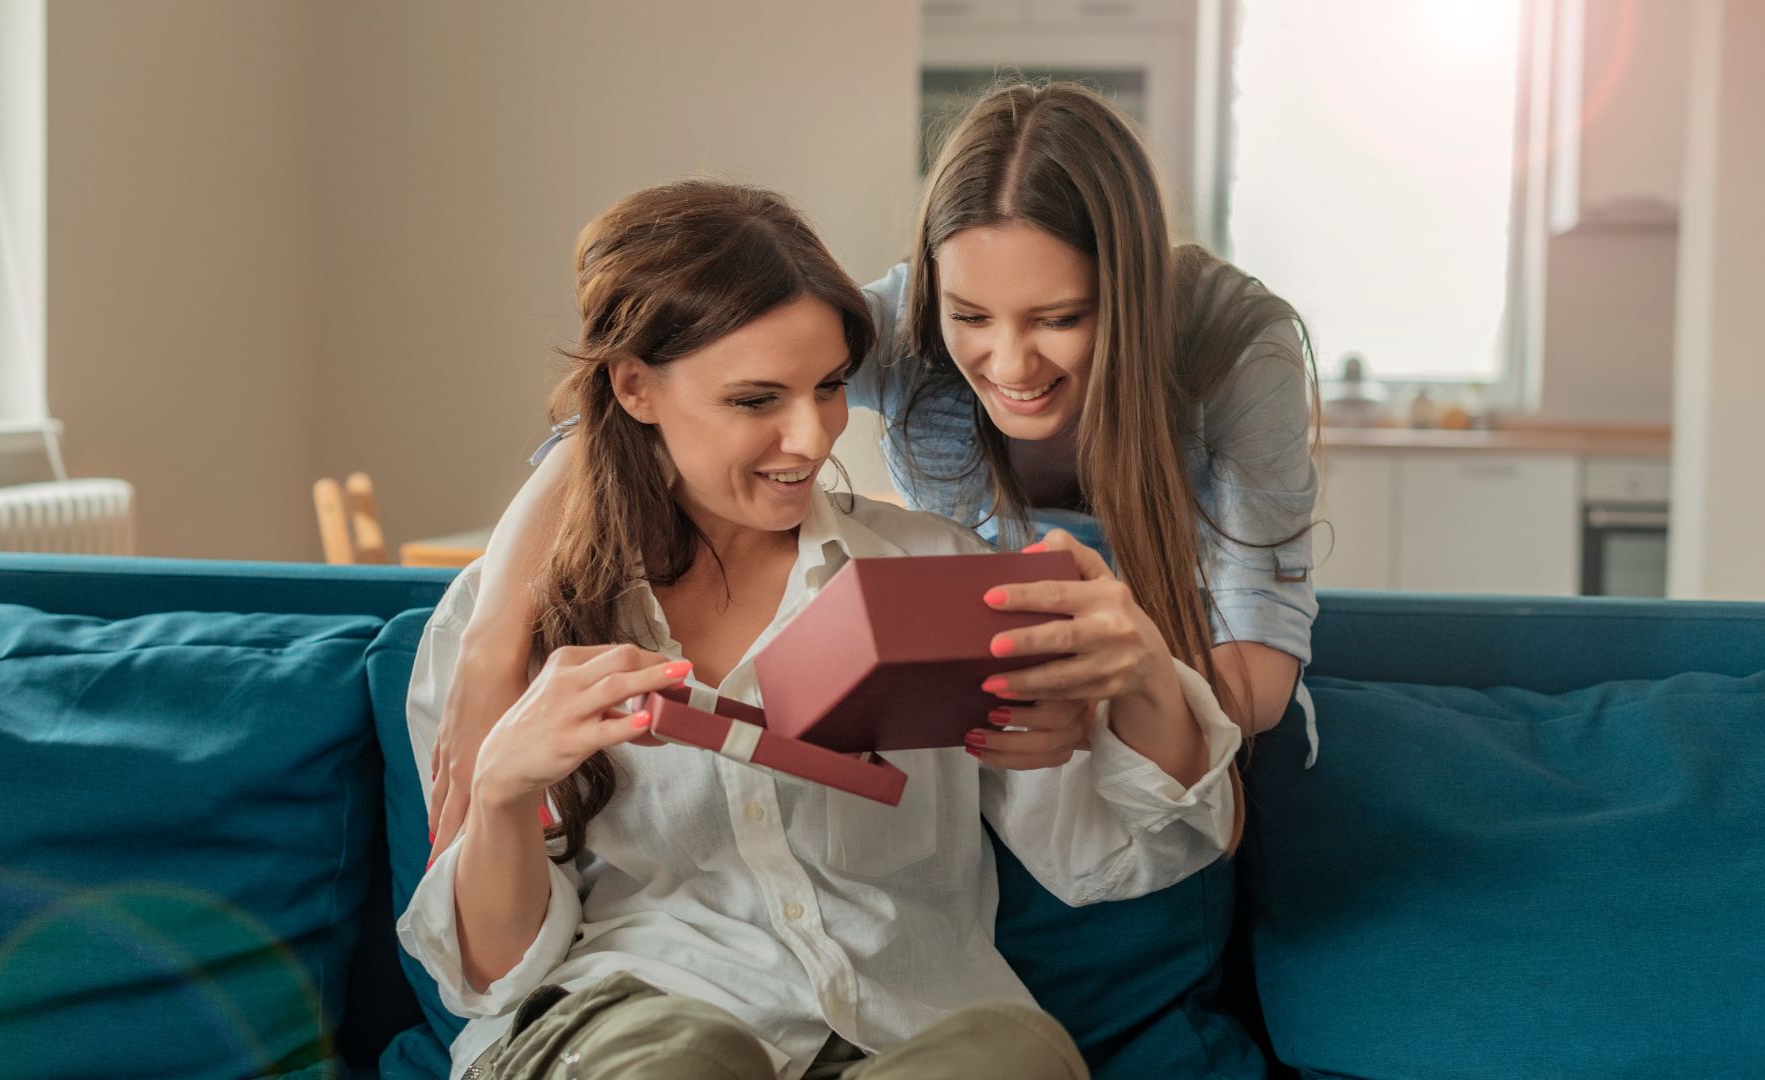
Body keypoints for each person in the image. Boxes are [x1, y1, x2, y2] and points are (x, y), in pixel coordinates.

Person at [400, 179, 1243, 1080]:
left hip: (909, 1035)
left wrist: (1144, 672)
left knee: (1019, 1054)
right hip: (625, 1028)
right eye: (757, 401)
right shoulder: (506, 625)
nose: (811, 438)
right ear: (636, 387)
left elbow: (1115, 856)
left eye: (831, 387)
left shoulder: (935, 575)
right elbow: (487, 976)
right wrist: (498, 794)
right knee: (686, 1058)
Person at [425, 77, 1319, 856]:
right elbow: (641, 412)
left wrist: (1102, 709)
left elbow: (1257, 684)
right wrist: (492, 640)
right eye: (972, 316)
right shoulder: (904, 324)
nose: (1008, 365)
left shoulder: (1232, 349)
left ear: (1128, 292)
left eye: (1059, 318)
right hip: (1006, 697)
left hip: (1168, 696)